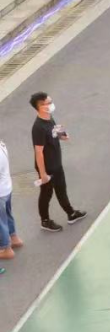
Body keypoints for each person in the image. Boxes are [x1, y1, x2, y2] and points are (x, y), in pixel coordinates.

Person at [30, 92, 85, 232]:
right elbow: (38, 152)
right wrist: (43, 174)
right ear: (41, 107)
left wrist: (62, 135)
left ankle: (71, 214)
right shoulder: (38, 127)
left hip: (56, 163)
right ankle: (45, 221)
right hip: (48, 167)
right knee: (46, 194)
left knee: (61, 189)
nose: (51, 104)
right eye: (48, 103)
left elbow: (54, 133)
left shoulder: (49, 118)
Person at [0, 138, 18, 261]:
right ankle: (14, 238)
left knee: (0, 221)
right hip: (7, 187)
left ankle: (6, 249)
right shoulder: (2, 144)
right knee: (7, 214)